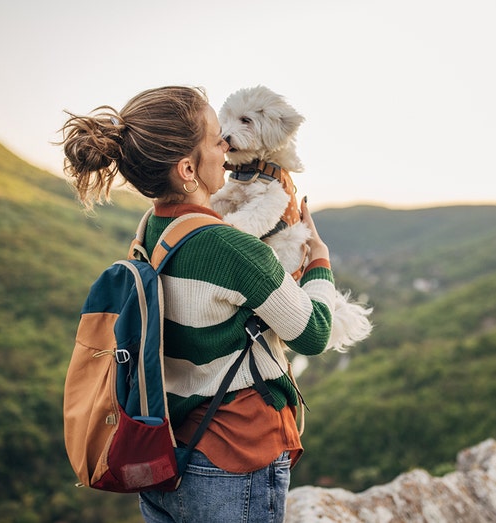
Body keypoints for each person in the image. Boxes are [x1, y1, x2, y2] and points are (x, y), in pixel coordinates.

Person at [60, 86, 334, 522]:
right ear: (188, 168)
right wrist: (318, 261)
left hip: (164, 451)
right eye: (214, 138)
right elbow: (314, 333)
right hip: (234, 456)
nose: (225, 143)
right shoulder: (231, 248)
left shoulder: (151, 228)